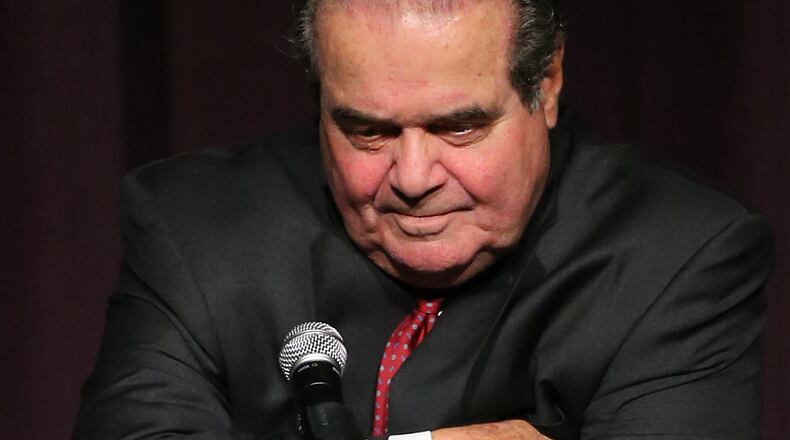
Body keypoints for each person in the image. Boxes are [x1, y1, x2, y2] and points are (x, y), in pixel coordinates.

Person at [73, 1, 773, 439]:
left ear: (548, 82)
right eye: (366, 131)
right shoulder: (196, 229)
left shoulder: (679, 255)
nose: (412, 178)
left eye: (459, 127)